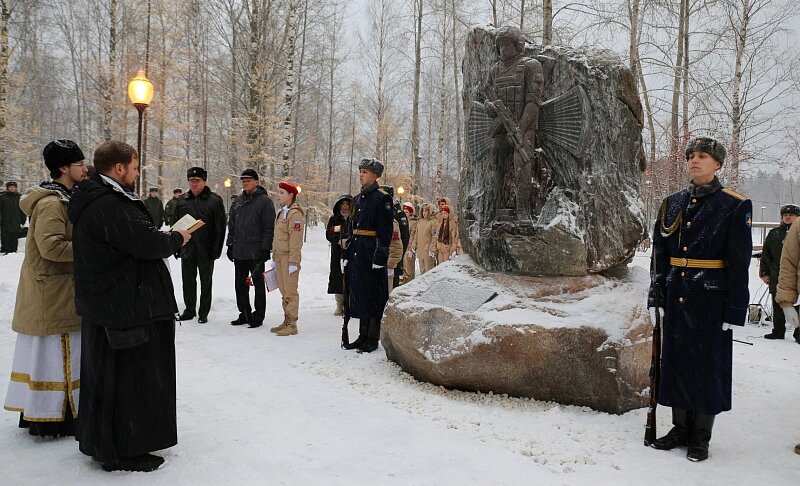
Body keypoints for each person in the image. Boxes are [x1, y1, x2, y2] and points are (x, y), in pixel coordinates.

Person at [69, 140, 191, 472]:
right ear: (119, 168)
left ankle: (107, 441)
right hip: (124, 306)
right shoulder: (108, 203)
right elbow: (147, 243)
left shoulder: (99, 198)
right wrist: (177, 238)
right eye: (135, 168)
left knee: (112, 378)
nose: (137, 174)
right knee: (129, 381)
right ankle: (123, 448)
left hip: (114, 304)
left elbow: (133, 238)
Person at [648, 136, 752, 462]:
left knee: (707, 367)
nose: (694, 161)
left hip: (710, 301)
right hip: (678, 295)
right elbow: (659, 255)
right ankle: (680, 428)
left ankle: (701, 435)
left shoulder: (734, 205)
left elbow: (739, 263)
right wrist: (657, 296)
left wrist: (734, 309)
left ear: (718, 163)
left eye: (703, 156)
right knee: (677, 362)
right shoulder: (672, 203)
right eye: (691, 156)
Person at [4, 139, 87, 437]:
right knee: (56, 357)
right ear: (63, 168)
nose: (85, 168)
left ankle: (52, 414)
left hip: (57, 294)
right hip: (52, 295)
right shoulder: (53, 203)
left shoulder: (63, 198)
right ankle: (52, 416)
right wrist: (89, 248)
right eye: (79, 164)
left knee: (58, 355)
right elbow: (51, 247)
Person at [484, 25, 546, 221]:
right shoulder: (494, 70)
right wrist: (491, 107)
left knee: (523, 163)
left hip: (524, 125)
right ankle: (497, 208)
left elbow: (533, 103)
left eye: (508, 45)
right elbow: (486, 99)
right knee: (495, 159)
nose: (503, 49)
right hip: (501, 126)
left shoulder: (531, 65)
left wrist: (519, 128)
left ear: (518, 45)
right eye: (500, 45)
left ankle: (523, 211)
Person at [342, 158, 394, 353]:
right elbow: (351, 229)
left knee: (374, 295)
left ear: (375, 176)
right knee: (361, 294)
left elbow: (385, 231)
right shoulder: (357, 199)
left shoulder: (382, 198)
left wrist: (380, 257)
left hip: (371, 253)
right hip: (358, 252)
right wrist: (347, 253)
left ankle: (372, 338)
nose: (361, 174)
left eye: (365, 172)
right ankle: (362, 335)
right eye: (360, 171)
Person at [175, 167, 227, 324]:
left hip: (206, 249)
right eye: (191, 181)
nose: (194, 184)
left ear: (204, 181)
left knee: (206, 282)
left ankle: (203, 312)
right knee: (188, 281)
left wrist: (216, 249)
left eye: (197, 181)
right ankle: (189, 309)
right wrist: (176, 246)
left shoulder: (214, 201)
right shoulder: (182, 200)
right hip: (187, 248)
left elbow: (220, 227)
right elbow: (176, 225)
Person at [226, 169, 275, 328]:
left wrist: (266, 248)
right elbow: (231, 225)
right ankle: (244, 313)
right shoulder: (238, 202)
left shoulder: (265, 201)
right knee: (240, 285)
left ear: (256, 181)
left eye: (248, 180)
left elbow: (269, 227)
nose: (245, 183)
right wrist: (230, 244)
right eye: (243, 181)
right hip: (239, 251)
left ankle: (258, 316)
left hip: (256, 251)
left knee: (258, 285)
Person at [759, 204, 800, 339]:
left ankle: (798, 332)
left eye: (791, 215)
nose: (788, 217)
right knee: (777, 302)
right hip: (776, 273)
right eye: (785, 215)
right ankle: (778, 330)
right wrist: (764, 273)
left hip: (797, 273)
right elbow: (766, 254)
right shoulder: (774, 233)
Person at [269, 181, 304, 336]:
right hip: (280, 256)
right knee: (283, 291)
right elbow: (278, 237)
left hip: (289, 258)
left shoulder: (295, 214)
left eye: (282, 193)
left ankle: (292, 323)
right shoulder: (282, 211)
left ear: (291, 195)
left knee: (290, 291)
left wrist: (293, 262)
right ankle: (286, 320)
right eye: (279, 192)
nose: (279, 195)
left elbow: (296, 241)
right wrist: (274, 256)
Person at [326, 194, 352, 316]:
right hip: (337, 253)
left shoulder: (354, 218)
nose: (345, 207)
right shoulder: (334, 219)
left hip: (351, 252)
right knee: (338, 278)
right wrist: (338, 240)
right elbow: (329, 233)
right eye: (343, 204)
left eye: (347, 204)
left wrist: (349, 240)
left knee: (350, 277)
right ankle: (339, 304)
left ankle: (350, 304)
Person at [0, 181, 26, 253]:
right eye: (10, 187)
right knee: (5, 236)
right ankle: (5, 249)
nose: (12, 188)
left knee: (14, 235)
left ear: (15, 188)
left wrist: (23, 219)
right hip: (5, 220)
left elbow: (23, 209)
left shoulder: (19, 197)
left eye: (13, 187)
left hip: (16, 220)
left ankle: (13, 250)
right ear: (7, 188)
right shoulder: (2, 197)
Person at [413, 203, 437, 274]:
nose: (424, 213)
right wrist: (414, 244)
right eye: (423, 211)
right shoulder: (419, 222)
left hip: (428, 249)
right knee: (422, 270)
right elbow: (416, 235)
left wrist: (432, 246)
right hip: (420, 249)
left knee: (428, 270)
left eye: (426, 211)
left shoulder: (432, 222)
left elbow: (434, 236)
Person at [402, 202, 418, 283]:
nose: (405, 214)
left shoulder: (413, 222)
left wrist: (411, 246)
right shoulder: (402, 221)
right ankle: (404, 279)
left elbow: (412, 235)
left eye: (407, 212)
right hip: (403, 246)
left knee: (409, 266)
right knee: (404, 265)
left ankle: (410, 280)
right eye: (404, 212)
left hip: (409, 246)